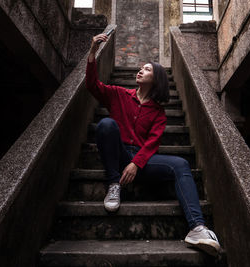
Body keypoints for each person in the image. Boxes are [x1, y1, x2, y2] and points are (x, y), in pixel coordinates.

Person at [86, 33, 221, 256]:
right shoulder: (118, 94)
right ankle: (113, 184)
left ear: (156, 78)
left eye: (147, 69)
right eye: (141, 68)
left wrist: (136, 164)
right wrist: (92, 52)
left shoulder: (158, 112)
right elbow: (92, 85)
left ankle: (197, 228)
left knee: (180, 164)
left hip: (141, 161)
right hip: (118, 156)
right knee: (106, 124)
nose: (140, 70)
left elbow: (152, 143)